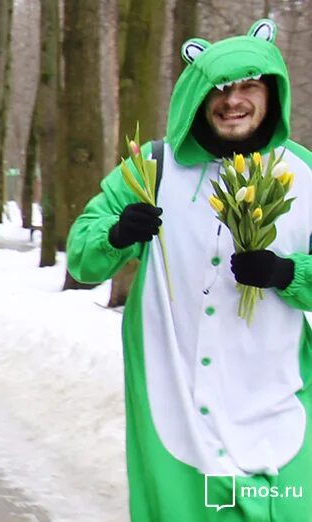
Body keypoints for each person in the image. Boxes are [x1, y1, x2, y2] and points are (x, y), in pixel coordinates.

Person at [68, 19, 312, 521]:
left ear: (271, 92)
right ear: (197, 96)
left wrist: (287, 273)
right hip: (176, 399)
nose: (232, 100)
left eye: (248, 86)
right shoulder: (153, 168)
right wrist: (117, 234)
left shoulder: (304, 174)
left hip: (278, 399)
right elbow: (81, 257)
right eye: (218, 89)